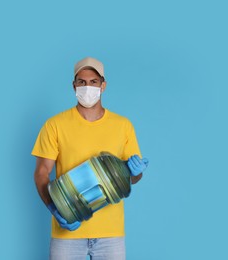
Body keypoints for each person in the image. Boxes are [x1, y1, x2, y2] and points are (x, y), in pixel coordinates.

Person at [32, 57, 149, 259]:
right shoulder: (55, 125)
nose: (87, 87)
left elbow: (130, 179)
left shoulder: (123, 126)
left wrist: (135, 172)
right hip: (67, 233)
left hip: (110, 233)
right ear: (74, 86)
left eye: (93, 82)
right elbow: (42, 172)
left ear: (103, 85)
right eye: (82, 82)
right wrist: (55, 209)